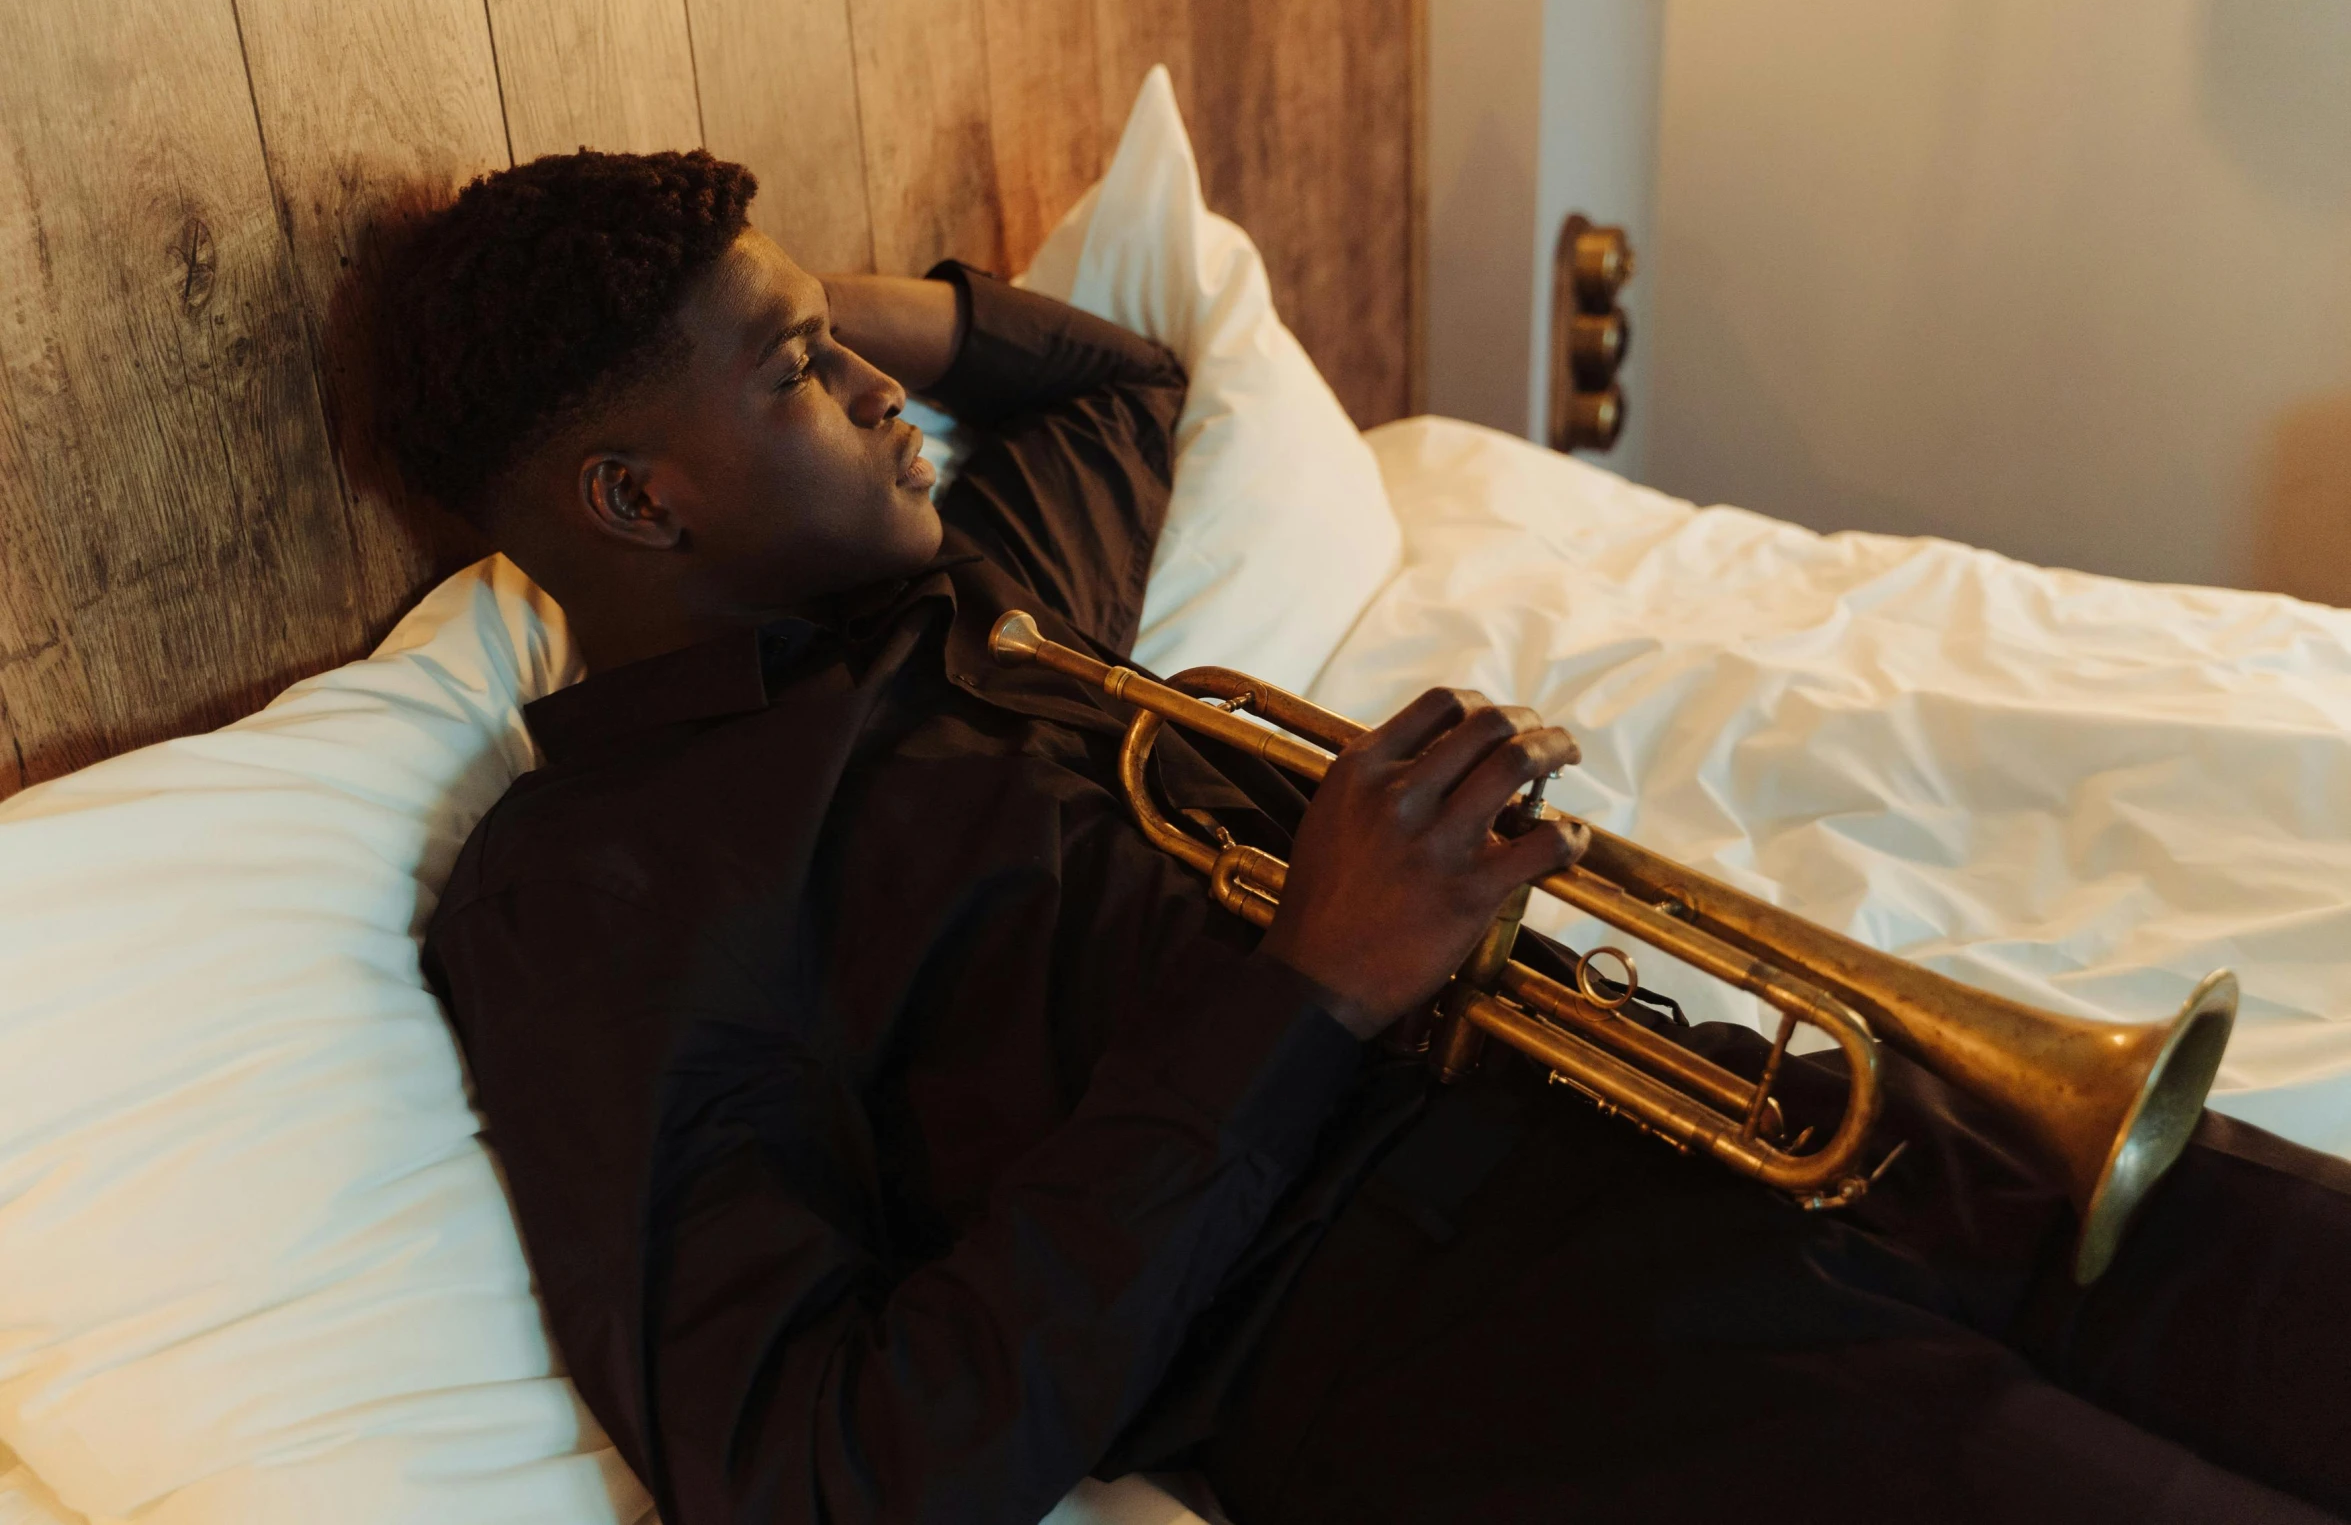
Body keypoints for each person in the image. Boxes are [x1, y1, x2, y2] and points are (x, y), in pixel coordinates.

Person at [391, 150, 2351, 1525]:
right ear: (641, 502)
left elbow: (1122, 385)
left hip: (1736, 1104)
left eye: (843, 354)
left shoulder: (960, 588)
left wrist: (804, 311)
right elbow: (828, 1472)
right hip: (1481, 1353)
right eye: (805, 380)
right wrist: (1306, 984)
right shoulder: (593, 895)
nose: (885, 406)